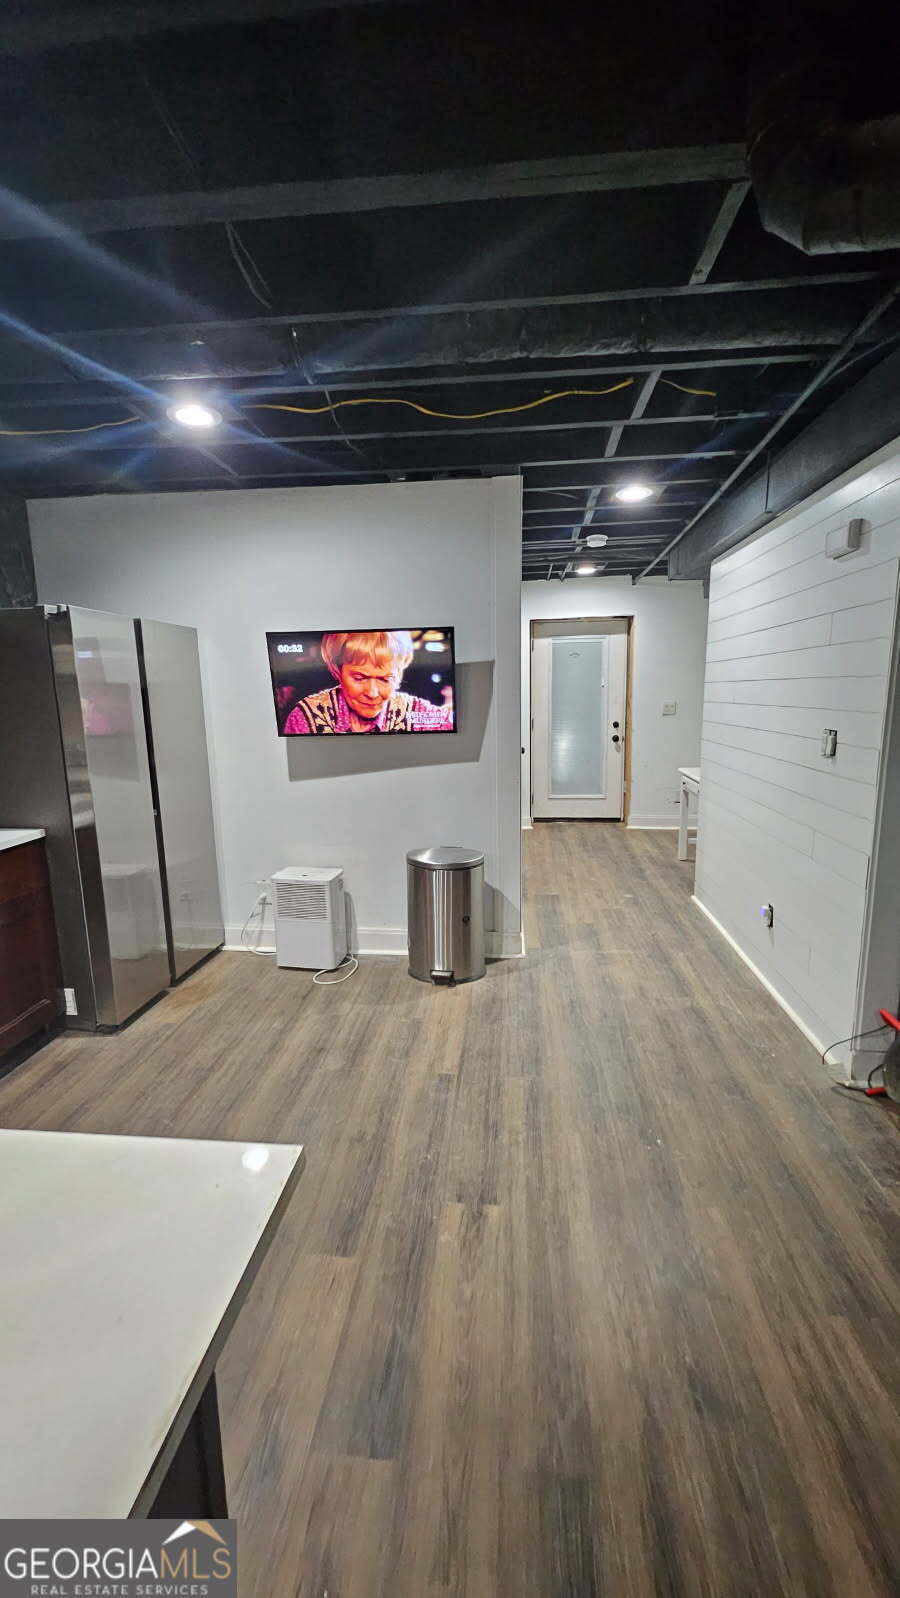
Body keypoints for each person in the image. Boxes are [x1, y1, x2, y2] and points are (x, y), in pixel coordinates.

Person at [283, 630, 454, 734]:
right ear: (337, 671)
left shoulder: (419, 713)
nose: (372, 693)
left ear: (399, 675)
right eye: (359, 678)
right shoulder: (306, 718)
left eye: (385, 679)